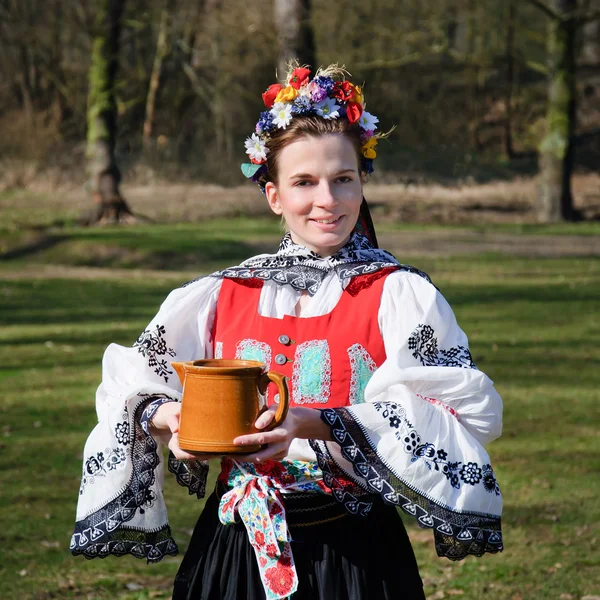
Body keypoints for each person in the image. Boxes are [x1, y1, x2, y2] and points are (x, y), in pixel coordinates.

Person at [71, 63, 503, 600]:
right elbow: (129, 385)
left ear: (361, 183)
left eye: (343, 179)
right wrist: (173, 418)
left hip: (356, 553)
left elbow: (462, 411)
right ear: (274, 195)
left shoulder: (400, 296)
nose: (328, 200)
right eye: (304, 182)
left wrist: (313, 422)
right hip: (235, 548)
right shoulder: (220, 294)